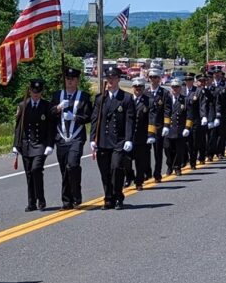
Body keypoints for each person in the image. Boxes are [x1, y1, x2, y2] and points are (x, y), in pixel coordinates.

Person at [90, 66, 135, 210]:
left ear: (118, 79)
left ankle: (118, 196)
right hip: (103, 140)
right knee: (105, 172)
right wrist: (92, 139)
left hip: (119, 140)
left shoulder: (126, 98)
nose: (110, 81)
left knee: (116, 168)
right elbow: (95, 120)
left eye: (113, 78)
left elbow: (130, 120)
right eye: (108, 78)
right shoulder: (100, 99)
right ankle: (108, 198)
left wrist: (129, 139)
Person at [50, 67, 92, 210]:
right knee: (64, 169)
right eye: (67, 79)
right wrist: (58, 108)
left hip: (76, 137)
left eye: (72, 79)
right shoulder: (57, 95)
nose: (70, 81)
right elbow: (50, 113)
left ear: (77, 80)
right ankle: (66, 201)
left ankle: (76, 194)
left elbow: (88, 117)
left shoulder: (84, 96)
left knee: (72, 165)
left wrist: (74, 117)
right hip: (61, 137)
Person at [13, 79, 54, 212]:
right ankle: (31, 202)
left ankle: (41, 199)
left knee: (36, 170)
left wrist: (50, 144)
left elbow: (50, 128)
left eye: (38, 92)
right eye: (33, 92)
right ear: (30, 91)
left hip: (40, 145)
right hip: (26, 144)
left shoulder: (47, 106)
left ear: (41, 92)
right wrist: (16, 145)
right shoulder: (23, 105)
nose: (36, 94)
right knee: (29, 174)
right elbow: (18, 127)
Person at [126, 77, 153, 190]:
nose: (138, 89)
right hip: (129, 136)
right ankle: (130, 176)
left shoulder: (149, 101)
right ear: (133, 88)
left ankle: (139, 182)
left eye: (140, 87)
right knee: (125, 160)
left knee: (140, 161)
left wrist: (151, 134)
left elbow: (152, 118)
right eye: (136, 87)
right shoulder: (127, 100)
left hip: (142, 136)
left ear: (143, 88)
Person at [163, 79, 190, 176]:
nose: (175, 89)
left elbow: (189, 115)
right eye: (173, 87)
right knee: (168, 149)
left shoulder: (185, 100)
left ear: (180, 88)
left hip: (180, 129)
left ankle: (177, 167)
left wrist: (187, 127)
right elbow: (164, 113)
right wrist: (164, 126)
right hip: (168, 129)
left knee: (179, 150)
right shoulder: (167, 99)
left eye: (177, 87)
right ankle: (170, 165)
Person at [145, 68, 167, 183]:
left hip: (159, 126)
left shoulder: (164, 93)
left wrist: (166, 125)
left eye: (155, 77)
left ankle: (157, 173)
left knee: (158, 152)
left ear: (159, 79)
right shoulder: (145, 92)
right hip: (147, 126)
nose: (153, 80)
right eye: (151, 77)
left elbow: (167, 110)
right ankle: (147, 172)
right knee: (145, 152)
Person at [192, 73, 214, 165]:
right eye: (200, 81)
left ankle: (202, 157)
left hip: (204, 118)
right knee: (194, 140)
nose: (202, 83)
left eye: (204, 81)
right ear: (196, 82)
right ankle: (193, 158)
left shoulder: (207, 92)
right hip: (194, 118)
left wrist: (210, 118)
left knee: (203, 139)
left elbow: (210, 105)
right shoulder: (194, 91)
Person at [182, 72, 199, 169]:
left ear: (193, 81)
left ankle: (193, 162)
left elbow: (200, 106)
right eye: (186, 80)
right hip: (183, 121)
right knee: (183, 144)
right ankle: (184, 160)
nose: (188, 82)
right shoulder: (181, 91)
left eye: (190, 80)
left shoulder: (197, 91)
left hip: (194, 121)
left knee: (193, 144)